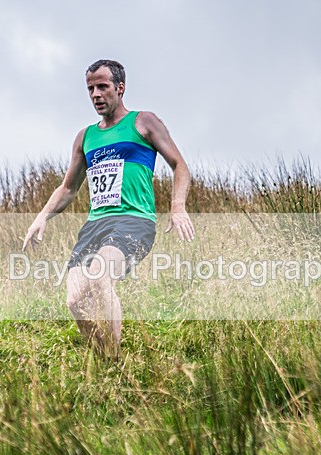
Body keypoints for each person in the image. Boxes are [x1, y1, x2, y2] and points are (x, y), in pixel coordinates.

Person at [22, 59, 194, 359]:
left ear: (120, 88)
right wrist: (41, 218)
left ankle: (115, 362)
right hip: (95, 226)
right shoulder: (85, 137)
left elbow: (180, 165)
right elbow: (68, 188)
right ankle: (105, 362)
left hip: (134, 221)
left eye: (102, 86)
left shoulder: (144, 122)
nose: (96, 94)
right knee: (74, 301)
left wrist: (177, 206)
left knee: (101, 275)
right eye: (90, 89)